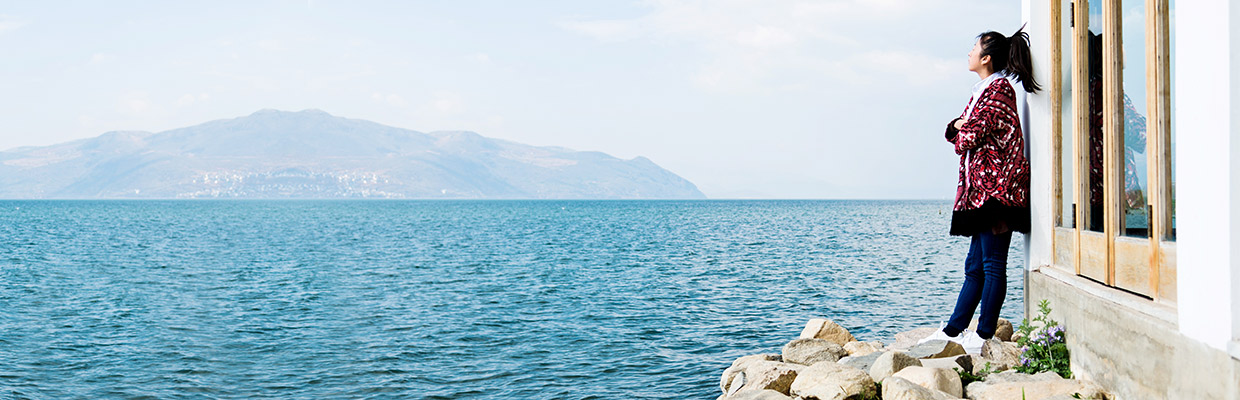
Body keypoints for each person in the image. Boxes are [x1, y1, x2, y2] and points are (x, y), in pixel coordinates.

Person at [921, 27, 1038, 353]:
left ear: (986, 57)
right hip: (982, 192)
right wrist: (958, 127)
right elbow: (959, 129)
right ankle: (953, 330)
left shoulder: (998, 89)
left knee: (992, 264)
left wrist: (959, 127)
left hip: (998, 192)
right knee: (974, 266)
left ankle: (984, 334)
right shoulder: (982, 89)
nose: (969, 52)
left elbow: (968, 135)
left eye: (974, 47)